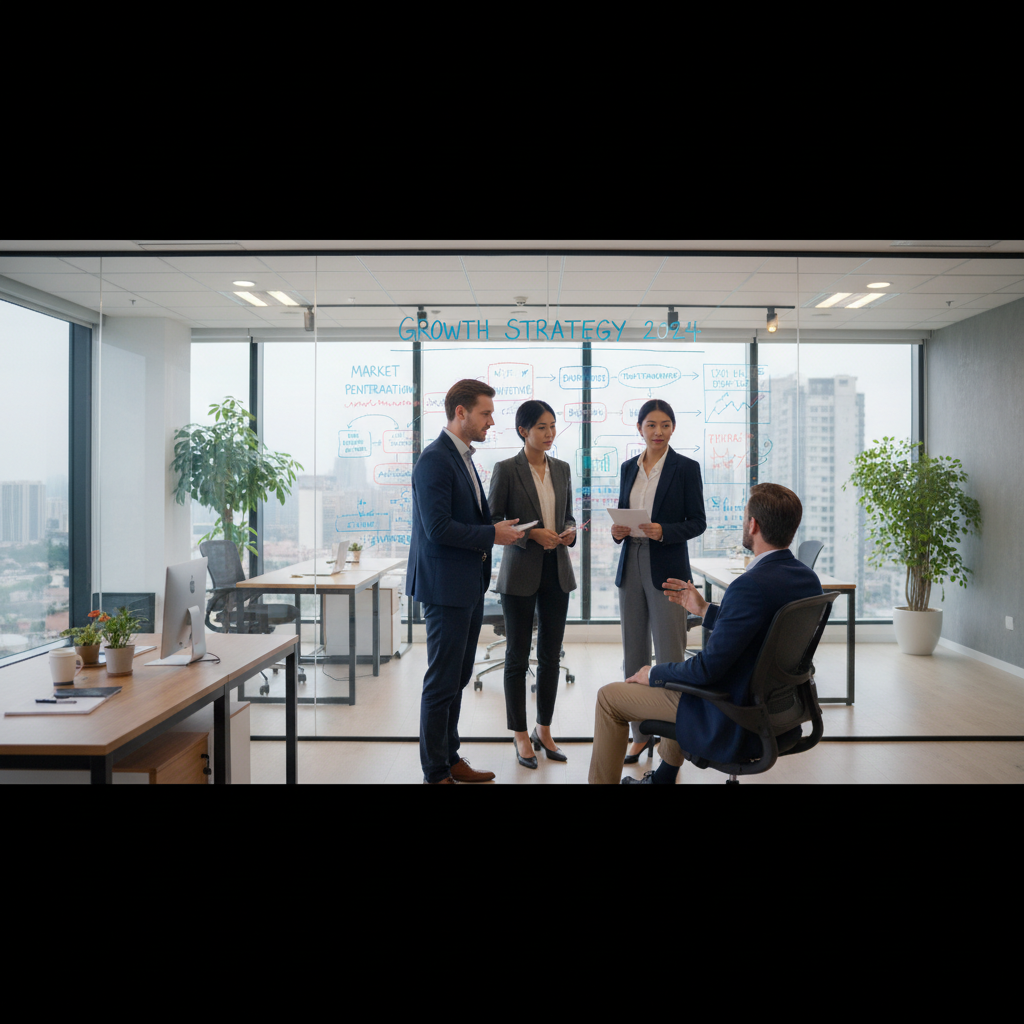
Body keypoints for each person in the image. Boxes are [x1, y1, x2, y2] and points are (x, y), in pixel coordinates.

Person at [588, 482, 824, 784]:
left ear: (753, 524)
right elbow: (761, 628)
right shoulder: (807, 579)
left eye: (744, 516)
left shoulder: (748, 586)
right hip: (778, 709)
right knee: (680, 679)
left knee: (609, 698)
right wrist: (705, 610)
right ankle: (663, 778)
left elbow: (705, 670)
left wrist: (655, 673)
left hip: (731, 711)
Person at [407, 379, 525, 784]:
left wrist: (496, 527)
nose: (491, 421)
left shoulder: (463, 457)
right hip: (444, 588)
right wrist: (493, 535)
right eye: (485, 413)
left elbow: (465, 519)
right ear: (461, 413)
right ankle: (434, 771)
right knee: (442, 680)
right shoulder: (435, 460)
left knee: (457, 676)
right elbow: (438, 528)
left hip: (467, 585)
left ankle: (450, 758)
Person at [611, 399, 706, 763]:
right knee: (633, 652)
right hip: (630, 562)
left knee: (669, 651)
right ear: (640, 429)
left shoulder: (686, 468)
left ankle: (673, 739)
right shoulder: (627, 468)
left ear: (673, 428)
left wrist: (664, 530)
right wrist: (619, 532)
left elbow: (697, 522)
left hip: (667, 565)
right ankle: (640, 734)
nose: (659, 432)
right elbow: (623, 514)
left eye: (665, 425)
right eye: (651, 425)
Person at [487, 400, 577, 769]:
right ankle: (520, 734)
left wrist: (568, 532)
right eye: (541, 427)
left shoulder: (563, 469)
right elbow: (494, 521)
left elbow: (567, 513)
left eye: (553, 426)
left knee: (551, 656)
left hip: (557, 570)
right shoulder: (506, 469)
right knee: (516, 656)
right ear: (523, 430)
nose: (549, 433)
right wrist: (531, 535)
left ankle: (544, 728)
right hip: (519, 572)